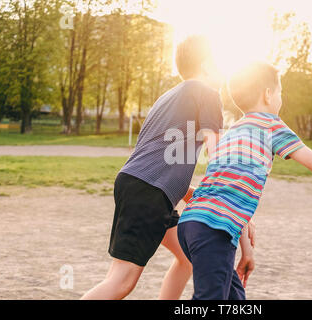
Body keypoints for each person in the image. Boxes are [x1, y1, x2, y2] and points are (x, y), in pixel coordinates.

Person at [177, 61, 312, 300]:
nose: (280, 99)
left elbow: (230, 198)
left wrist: (246, 252)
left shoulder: (231, 134)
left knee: (234, 299)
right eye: (280, 93)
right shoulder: (271, 125)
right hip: (214, 231)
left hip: (194, 224)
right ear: (268, 94)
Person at [81, 35, 226, 300]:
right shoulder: (208, 94)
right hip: (149, 191)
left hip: (143, 186)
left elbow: (163, 157)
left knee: (187, 257)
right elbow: (215, 151)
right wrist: (226, 193)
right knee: (122, 281)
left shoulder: (170, 96)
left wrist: (188, 191)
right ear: (206, 65)